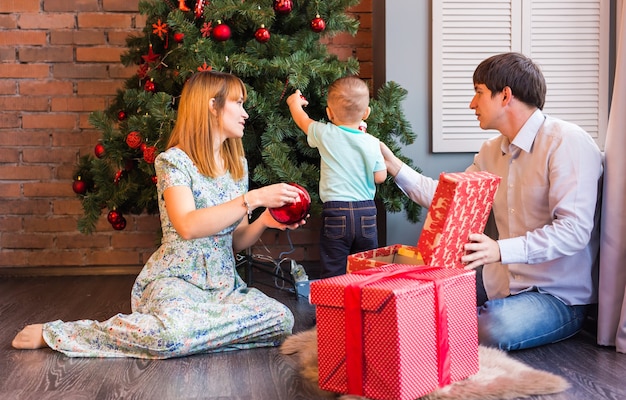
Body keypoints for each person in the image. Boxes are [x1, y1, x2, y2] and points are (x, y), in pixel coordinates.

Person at [12, 71, 307, 358]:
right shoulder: (173, 162)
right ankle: (62, 334)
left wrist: (266, 219)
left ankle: (194, 335)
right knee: (170, 336)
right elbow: (188, 226)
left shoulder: (237, 165)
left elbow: (235, 240)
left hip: (223, 285)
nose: (245, 113)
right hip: (176, 279)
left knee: (281, 320)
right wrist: (252, 198)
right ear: (212, 105)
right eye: (238, 103)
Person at [380, 52, 603, 351]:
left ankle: (438, 334)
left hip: (557, 296)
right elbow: (448, 199)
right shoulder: (490, 151)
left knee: (493, 326)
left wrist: (499, 249)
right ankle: (437, 332)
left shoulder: (567, 142)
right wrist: (392, 164)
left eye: (478, 93)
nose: (472, 104)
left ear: (505, 95)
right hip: (499, 283)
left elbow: (574, 232)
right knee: (416, 299)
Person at [287, 76, 387, 278]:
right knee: (367, 268)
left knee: (334, 267)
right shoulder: (372, 142)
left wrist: (294, 103)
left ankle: (335, 307)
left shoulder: (326, 133)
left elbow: (302, 120)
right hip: (366, 212)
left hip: (336, 211)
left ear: (329, 113)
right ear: (366, 113)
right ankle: (366, 306)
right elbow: (380, 177)